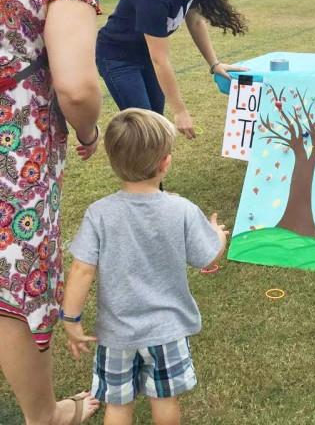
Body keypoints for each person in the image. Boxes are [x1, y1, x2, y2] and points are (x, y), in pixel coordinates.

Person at [0, 0, 116, 423]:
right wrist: (90, 131)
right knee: (15, 296)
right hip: (15, 161)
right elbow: (75, 86)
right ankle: (45, 416)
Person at [60, 108, 228, 425]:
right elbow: (208, 257)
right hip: (168, 332)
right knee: (164, 399)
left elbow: (82, 270)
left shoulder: (99, 213)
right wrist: (217, 235)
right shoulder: (182, 210)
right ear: (165, 161)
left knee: (118, 405)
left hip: (116, 333)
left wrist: (71, 319)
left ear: (113, 162)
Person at [96, 0, 248, 139]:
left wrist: (214, 64)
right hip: (117, 58)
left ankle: (152, 169)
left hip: (144, 55)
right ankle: (139, 169)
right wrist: (180, 111)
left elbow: (194, 20)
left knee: (154, 120)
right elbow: (160, 59)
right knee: (144, 125)